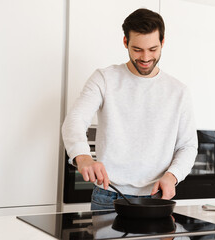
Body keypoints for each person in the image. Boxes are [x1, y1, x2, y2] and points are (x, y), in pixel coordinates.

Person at [62, 8, 197, 210]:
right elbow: (75, 121)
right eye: (137, 49)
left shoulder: (179, 91)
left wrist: (172, 176)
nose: (145, 58)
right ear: (125, 42)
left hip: (157, 198)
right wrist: (83, 157)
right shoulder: (104, 79)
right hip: (109, 196)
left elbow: (187, 146)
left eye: (152, 49)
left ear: (162, 42)